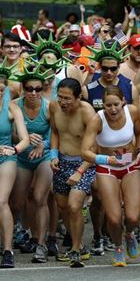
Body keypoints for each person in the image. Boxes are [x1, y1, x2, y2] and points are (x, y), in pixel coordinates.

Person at [82, 85, 140, 267]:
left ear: (123, 101)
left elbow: (139, 133)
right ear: (103, 105)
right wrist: (106, 159)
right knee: (114, 218)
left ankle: (130, 234)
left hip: (130, 164)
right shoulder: (97, 119)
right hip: (107, 168)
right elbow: (85, 151)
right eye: (108, 105)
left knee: (132, 217)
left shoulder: (132, 111)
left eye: (116, 104)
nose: (113, 109)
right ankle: (118, 246)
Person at [49, 78, 96, 268]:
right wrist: (53, 155)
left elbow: (93, 147)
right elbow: (54, 132)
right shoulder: (54, 107)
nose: (63, 102)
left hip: (83, 163)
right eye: (60, 97)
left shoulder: (87, 113)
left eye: (68, 98)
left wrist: (79, 171)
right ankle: (80, 244)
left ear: (78, 97)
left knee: (75, 206)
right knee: (62, 207)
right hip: (62, 161)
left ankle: (75, 250)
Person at [10, 65, 54, 263]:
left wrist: (43, 145)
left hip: (43, 156)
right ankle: (16, 235)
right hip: (21, 156)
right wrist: (24, 138)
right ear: (23, 88)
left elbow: (57, 133)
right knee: (17, 202)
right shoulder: (14, 105)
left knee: (39, 198)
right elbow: (7, 134)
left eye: (38, 89)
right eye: (29, 89)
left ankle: (42, 244)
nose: (34, 93)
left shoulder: (49, 106)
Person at [0, 69, 30, 268]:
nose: (1, 91)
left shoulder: (11, 108)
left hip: (6, 158)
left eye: (2, 89)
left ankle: (8, 250)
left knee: (1, 201)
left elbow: (25, 138)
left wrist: (15, 149)